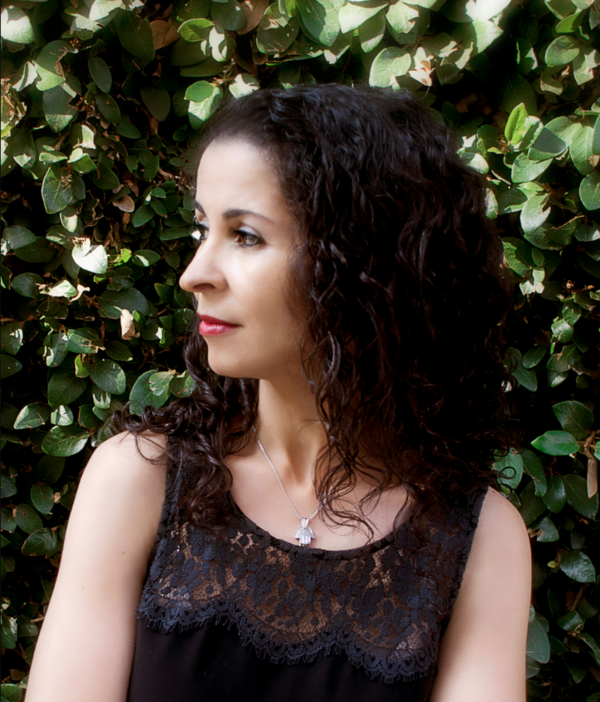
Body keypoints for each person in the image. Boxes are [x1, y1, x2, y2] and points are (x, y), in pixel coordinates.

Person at [26, 83, 531, 702]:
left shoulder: (477, 539)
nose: (194, 275)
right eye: (202, 229)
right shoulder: (137, 481)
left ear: (364, 262)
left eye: (245, 236)